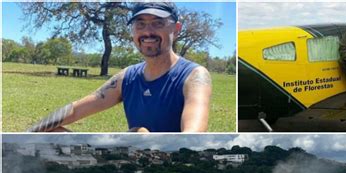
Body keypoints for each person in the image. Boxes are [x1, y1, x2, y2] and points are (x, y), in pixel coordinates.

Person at [28, 2, 212, 132]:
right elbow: (76, 110)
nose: (148, 32)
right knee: (50, 132)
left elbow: (193, 135)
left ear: (176, 29)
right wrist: (30, 132)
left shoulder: (194, 76)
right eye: (140, 24)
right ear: (133, 31)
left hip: (167, 164)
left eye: (158, 23)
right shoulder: (127, 77)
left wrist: (143, 140)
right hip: (130, 159)